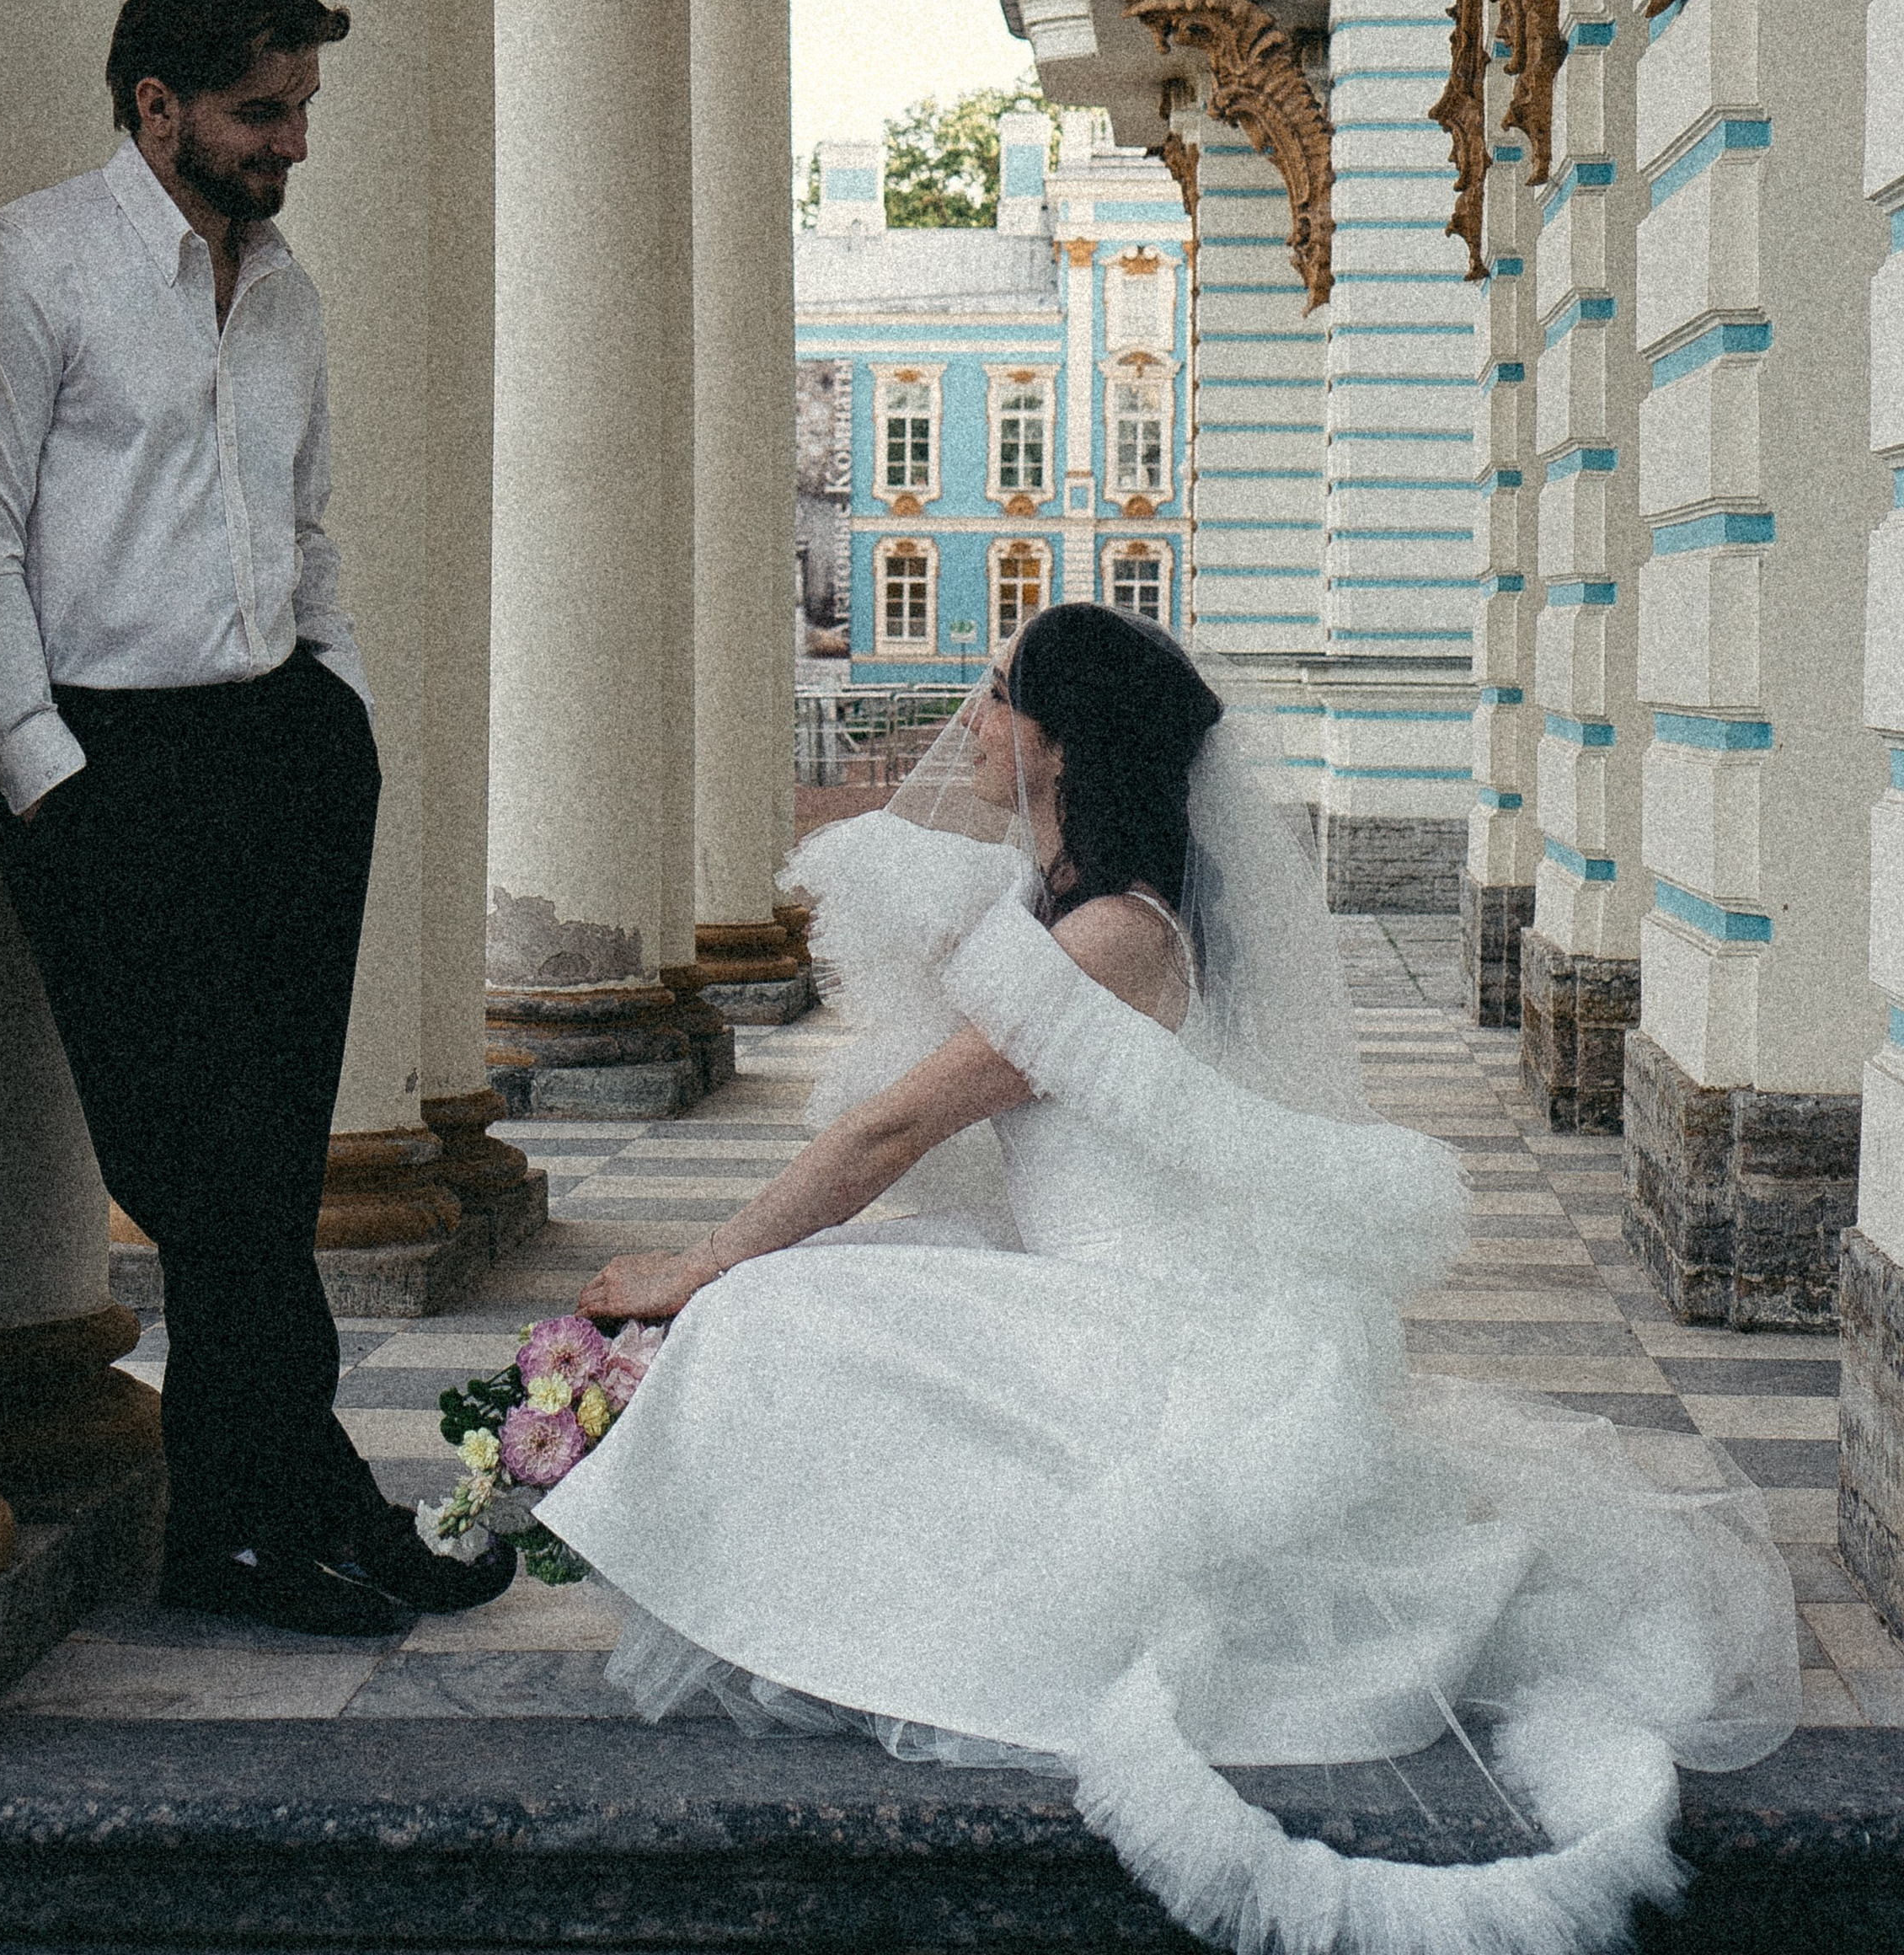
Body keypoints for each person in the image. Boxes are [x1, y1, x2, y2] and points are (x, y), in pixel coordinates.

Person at [535, 603, 1800, 1955]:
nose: (973, 722)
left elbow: (891, 1131)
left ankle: (857, 1621)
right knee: (823, 1302)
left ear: (1062, 745)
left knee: (764, 1309)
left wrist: (702, 1260)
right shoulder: (1067, 913)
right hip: (1082, 1289)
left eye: (1001, 695)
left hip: (1141, 1319)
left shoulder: (1112, 942)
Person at [0, 0, 510, 1637]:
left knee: (265, 1175)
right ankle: (301, 1506)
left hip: (279, 752)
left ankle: (248, 1527)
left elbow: (305, 523)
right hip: (105, 769)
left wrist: (337, 708)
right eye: (264, 112)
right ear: (159, 107)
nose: (295, 142)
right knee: (198, 1173)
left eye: (301, 108)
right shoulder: (35, 265)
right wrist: (42, 771)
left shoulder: (286, 291)